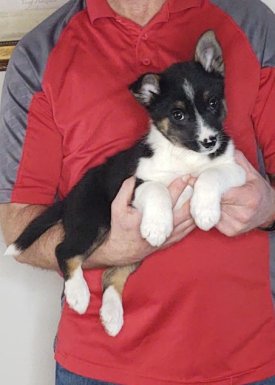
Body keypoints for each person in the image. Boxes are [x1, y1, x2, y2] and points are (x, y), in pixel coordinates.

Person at [1, 0, 275, 384]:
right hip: (102, 367)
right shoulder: (40, 54)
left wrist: (268, 207)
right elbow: (17, 226)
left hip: (249, 359)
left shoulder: (251, 23)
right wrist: (113, 248)